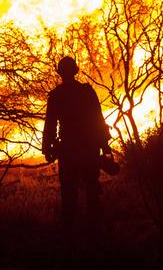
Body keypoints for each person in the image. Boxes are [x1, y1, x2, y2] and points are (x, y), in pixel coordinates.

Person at [42, 56, 111, 229]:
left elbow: (50, 124)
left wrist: (47, 149)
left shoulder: (57, 95)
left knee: (69, 188)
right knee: (91, 187)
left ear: (60, 73)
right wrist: (104, 144)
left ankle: (68, 225)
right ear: (75, 71)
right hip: (89, 147)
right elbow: (98, 119)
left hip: (68, 149)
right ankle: (96, 225)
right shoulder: (87, 92)